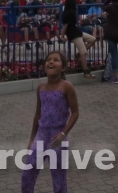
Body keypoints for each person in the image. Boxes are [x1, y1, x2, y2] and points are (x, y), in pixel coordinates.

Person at [21, 50, 80, 193]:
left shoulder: (66, 87)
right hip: (41, 136)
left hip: (58, 138)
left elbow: (75, 113)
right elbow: (37, 115)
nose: (51, 62)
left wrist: (63, 134)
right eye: (48, 60)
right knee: (27, 174)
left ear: (63, 67)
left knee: (59, 179)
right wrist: (31, 139)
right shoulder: (41, 88)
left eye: (56, 60)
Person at [60, 0, 95, 79]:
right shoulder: (70, 13)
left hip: (76, 31)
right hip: (73, 33)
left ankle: (79, 54)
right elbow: (65, 25)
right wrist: (62, 36)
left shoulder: (67, 12)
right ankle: (86, 72)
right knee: (83, 51)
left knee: (93, 39)